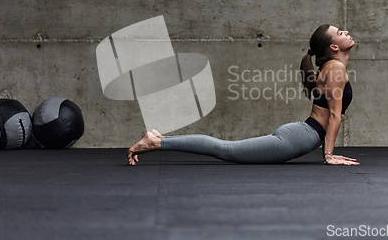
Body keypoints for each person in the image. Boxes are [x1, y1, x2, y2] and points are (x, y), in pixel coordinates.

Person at [127, 24, 360, 166]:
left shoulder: (331, 68)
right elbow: (334, 115)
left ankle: (160, 139)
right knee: (228, 150)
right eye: (340, 32)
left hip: (302, 132)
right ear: (334, 47)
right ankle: (157, 142)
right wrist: (328, 155)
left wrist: (327, 151)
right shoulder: (336, 68)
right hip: (300, 137)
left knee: (228, 149)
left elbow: (331, 114)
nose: (346, 32)